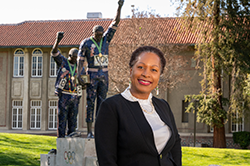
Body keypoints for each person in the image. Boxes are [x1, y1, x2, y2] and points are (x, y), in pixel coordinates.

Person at [95, 46, 182, 166]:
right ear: (131, 71)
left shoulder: (163, 106)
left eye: (154, 70)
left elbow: (175, 143)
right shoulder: (112, 107)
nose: (146, 74)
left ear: (159, 75)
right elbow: (107, 160)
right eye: (141, 67)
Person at [78, 0, 124, 138]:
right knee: (90, 103)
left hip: (104, 75)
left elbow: (116, 21)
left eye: (100, 34)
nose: (99, 37)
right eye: (97, 35)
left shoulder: (106, 39)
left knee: (103, 103)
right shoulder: (86, 43)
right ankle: (89, 131)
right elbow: (80, 62)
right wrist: (80, 76)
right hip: (92, 75)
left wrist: (119, 6)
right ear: (93, 33)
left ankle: (100, 130)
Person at [51, 31, 85, 138]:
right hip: (64, 95)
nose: (76, 59)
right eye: (74, 57)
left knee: (73, 120)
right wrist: (57, 41)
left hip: (75, 96)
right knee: (62, 119)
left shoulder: (80, 68)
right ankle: (61, 140)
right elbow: (54, 52)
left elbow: (85, 83)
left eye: (77, 58)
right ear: (69, 56)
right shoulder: (63, 62)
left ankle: (71, 141)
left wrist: (84, 83)